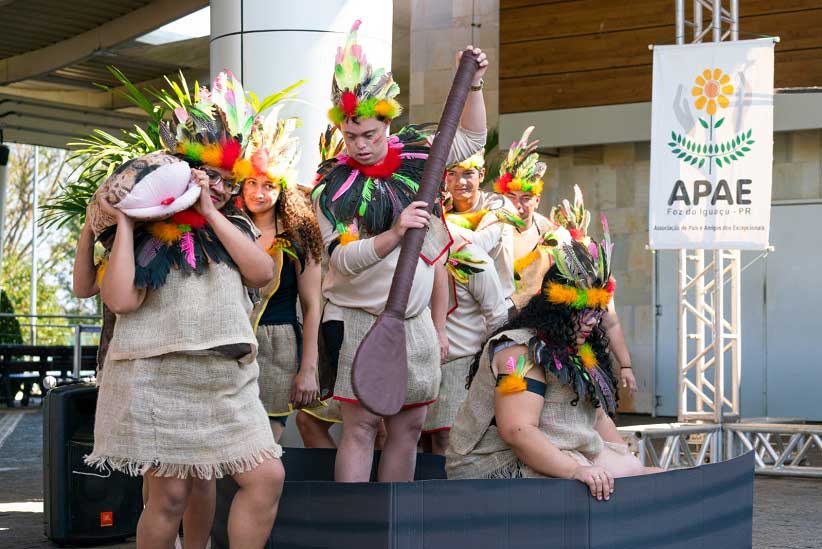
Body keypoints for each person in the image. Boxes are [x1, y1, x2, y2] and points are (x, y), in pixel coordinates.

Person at [84, 71, 284, 548]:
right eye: (204, 175)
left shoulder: (234, 223)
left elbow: (262, 274)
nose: (214, 185)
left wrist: (212, 213)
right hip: (158, 377)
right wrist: (129, 222)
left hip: (226, 379)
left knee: (267, 476)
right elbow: (120, 299)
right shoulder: (152, 231)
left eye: (223, 180)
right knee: (170, 495)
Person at [312, 20, 488, 482]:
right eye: (352, 137)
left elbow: (469, 140)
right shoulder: (331, 188)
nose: (362, 145)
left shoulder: (416, 156)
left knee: (409, 428)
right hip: (357, 321)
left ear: (387, 124)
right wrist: (393, 234)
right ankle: (353, 527)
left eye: (370, 134)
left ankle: (394, 522)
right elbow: (340, 261)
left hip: (414, 326)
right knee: (361, 426)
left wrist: (474, 86)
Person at [446, 219, 659, 499]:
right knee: (602, 486)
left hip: (561, 451)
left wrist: (630, 465)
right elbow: (517, 431)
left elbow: (596, 416)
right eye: (582, 310)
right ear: (558, 308)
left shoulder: (579, 349)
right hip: (495, 466)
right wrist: (575, 471)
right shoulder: (519, 350)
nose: (591, 322)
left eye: (597, 312)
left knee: (645, 478)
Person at [239, 107, 325, 442]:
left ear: (282, 188)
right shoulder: (227, 229)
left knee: (265, 445)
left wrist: (308, 368)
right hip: (231, 344)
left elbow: (312, 304)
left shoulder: (300, 235)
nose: (258, 193)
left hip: (279, 348)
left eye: (269, 185)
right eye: (251, 183)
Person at [421, 227, 508, 455]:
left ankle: (447, 490)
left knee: (446, 438)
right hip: (421, 359)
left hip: (463, 361)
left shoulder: (473, 258)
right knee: (423, 440)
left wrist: (487, 367)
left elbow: (498, 317)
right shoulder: (407, 249)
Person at [443, 151, 521, 313]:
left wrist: (438, 223)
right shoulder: (442, 207)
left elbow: (479, 245)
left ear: (482, 174)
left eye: (468, 173)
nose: (460, 181)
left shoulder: (499, 204)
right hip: (456, 311)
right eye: (452, 173)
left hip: (497, 307)